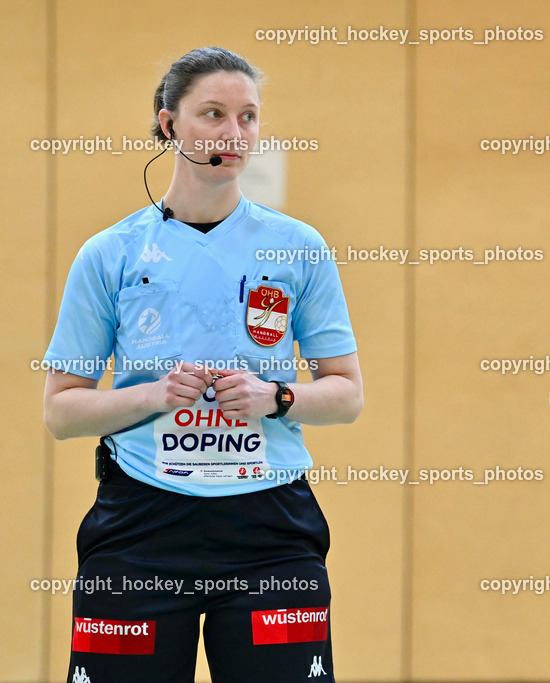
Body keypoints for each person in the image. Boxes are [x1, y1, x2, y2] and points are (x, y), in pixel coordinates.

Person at [43, 47, 362, 683]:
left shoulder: (298, 247)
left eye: (248, 117)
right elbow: (61, 410)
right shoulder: (110, 254)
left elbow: (346, 393)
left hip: (270, 533)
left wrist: (278, 397)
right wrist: (152, 396)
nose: (234, 133)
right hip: (141, 526)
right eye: (213, 114)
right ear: (169, 125)